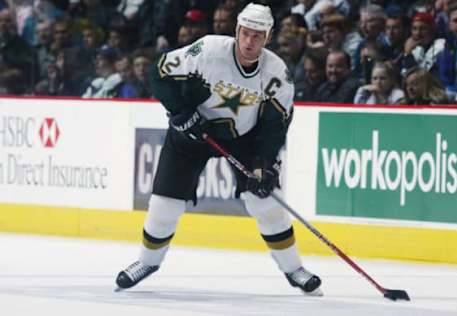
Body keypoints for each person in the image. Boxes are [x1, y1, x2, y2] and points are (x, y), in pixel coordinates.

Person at [115, 3, 322, 295]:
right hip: (191, 132)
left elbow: (276, 125)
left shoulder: (277, 74)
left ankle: (294, 268)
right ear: (237, 30)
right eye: (246, 33)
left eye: (258, 36)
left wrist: (264, 163)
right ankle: (147, 262)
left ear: (269, 37)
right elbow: (158, 73)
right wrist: (181, 112)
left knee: (265, 202)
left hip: (243, 138)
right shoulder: (208, 50)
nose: (250, 42)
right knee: (165, 205)